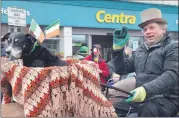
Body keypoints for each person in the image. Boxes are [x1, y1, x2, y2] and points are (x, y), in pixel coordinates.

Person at [109, 8, 178, 117]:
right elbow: (122, 69)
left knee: (148, 110)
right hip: (142, 98)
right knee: (111, 109)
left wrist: (146, 90)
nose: (147, 32)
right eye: (145, 29)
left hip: (167, 99)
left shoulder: (172, 47)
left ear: (163, 29)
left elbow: (171, 75)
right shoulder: (141, 50)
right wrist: (118, 49)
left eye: (151, 27)